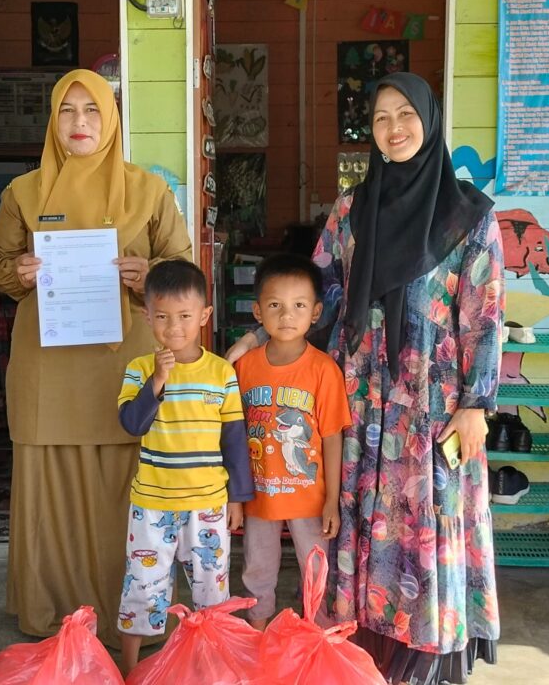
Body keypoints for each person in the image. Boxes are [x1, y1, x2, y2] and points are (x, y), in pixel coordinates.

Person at [227, 72, 502, 683]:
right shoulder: (351, 212)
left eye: (405, 114)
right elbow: (316, 297)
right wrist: (256, 338)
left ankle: (426, 652)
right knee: (361, 521)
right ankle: (359, 649)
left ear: (429, 120)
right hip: (359, 401)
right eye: (380, 118)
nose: (394, 128)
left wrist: (476, 404)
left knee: (425, 519)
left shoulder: (468, 216)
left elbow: (485, 316)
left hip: (432, 406)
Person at [0, 69, 193, 647]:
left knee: (126, 485)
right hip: (48, 368)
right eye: (68, 111)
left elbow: (184, 271)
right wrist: (18, 272)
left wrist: (150, 275)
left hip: (124, 365)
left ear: (112, 118)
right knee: (48, 485)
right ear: (53, 121)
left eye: (92, 109)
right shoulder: (23, 192)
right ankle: (52, 610)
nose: (80, 122)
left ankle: (131, 611)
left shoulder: (148, 191)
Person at [115, 259, 253, 674]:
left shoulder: (222, 373)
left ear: (204, 316)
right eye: (162, 317)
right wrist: (157, 381)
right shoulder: (139, 369)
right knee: (142, 590)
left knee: (213, 594)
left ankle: (212, 669)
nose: (173, 327)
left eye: (184, 316)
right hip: (152, 505)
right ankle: (129, 671)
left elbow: (234, 441)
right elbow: (132, 424)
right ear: (147, 316)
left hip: (207, 505)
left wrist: (237, 499)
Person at [233, 253, 351, 631]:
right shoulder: (244, 367)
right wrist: (234, 496)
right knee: (257, 569)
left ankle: (318, 639)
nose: (286, 316)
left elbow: (332, 439)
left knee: (316, 569)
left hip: (310, 499)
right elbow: (232, 435)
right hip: (258, 497)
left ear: (315, 312)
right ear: (257, 311)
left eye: (299, 306)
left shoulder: (324, 370)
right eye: (275, 306)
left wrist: (331, 500)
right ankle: (258, 639)